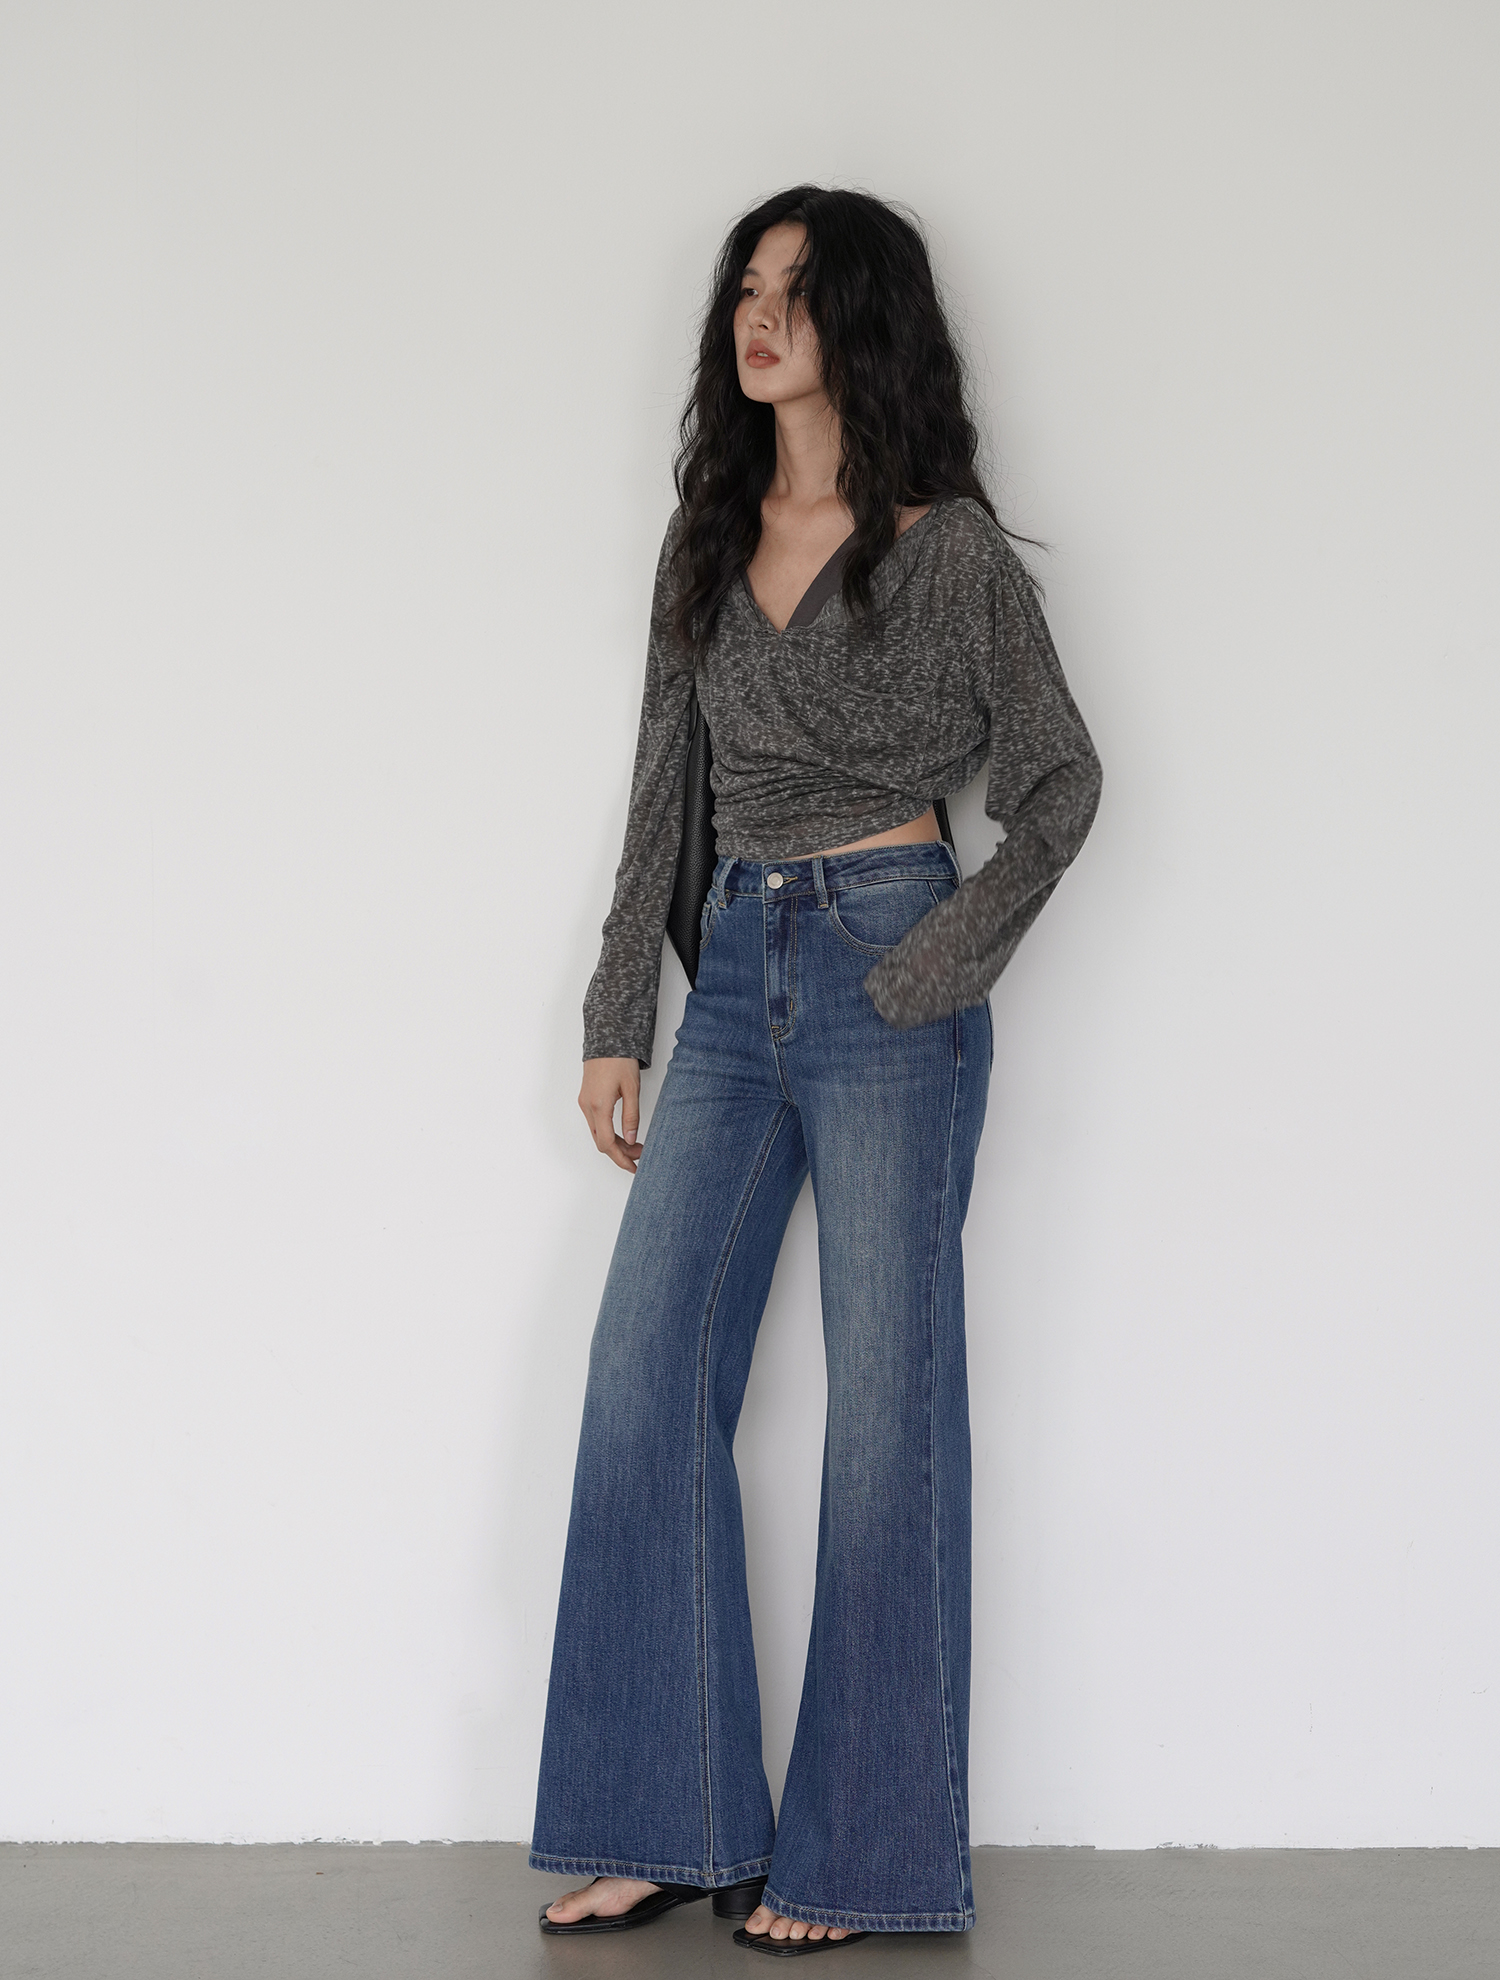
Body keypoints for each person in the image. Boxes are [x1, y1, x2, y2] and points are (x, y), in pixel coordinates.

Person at [530, 185, 1102, 1956]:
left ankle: (863, 1853)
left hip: (887, 963)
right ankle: (664, 1816)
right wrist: (618, 1012)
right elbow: (663, 793)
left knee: (884, 1416)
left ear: (864, 317)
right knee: (644, 1382)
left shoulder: (947, 553)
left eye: (795, 289)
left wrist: (937, 962)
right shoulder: (707, 539)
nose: (759, 317)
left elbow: (1061, 779)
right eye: (747, 289)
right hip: (730, 978)